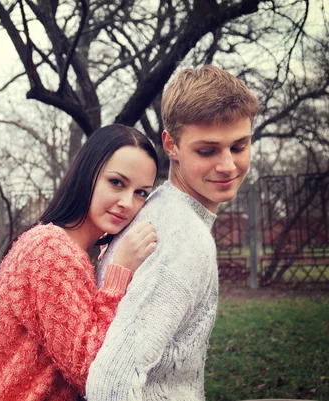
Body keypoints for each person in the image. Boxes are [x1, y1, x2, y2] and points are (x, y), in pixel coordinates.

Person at [0, 124, 159, 401]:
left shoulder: (69, 249)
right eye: (117, 182)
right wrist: (119, 274)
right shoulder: (50, 250)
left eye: (141, 193)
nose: (128, 202)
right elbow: (91, 370)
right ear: (87, 175)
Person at [86, 65, 259, 400]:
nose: (227, 166)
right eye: (207, 151)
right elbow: (111, 384)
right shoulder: (184, 238)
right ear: (171, 145)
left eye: (238, 147)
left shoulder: (156, 206)